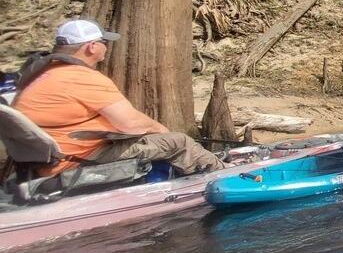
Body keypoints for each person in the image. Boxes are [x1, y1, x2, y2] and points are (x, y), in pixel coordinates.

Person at [13, 20, 223, 177]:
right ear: (92, 47)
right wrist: (162, 131)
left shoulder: (41, 74)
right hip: (75, 158)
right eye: (104, 42)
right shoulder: (82, 78)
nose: (107, 46)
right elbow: (131, 124)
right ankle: (222, 174)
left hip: (47, 160)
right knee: (179, 141)